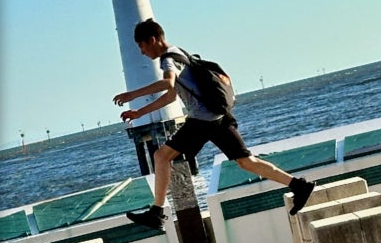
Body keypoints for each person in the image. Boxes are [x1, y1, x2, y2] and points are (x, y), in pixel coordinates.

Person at [114, 17, 311, 230]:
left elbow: (167, 82)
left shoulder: (167, 59)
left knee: (161, 156)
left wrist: (132, 94)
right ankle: (298, 185)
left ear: (152, 40)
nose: (142, 52)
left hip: (202, 119)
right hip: (218, 116)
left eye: (141, 46)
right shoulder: (181, 52)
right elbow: (171, 96)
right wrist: (139, 112)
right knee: (246, 161)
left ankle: (157, 212)